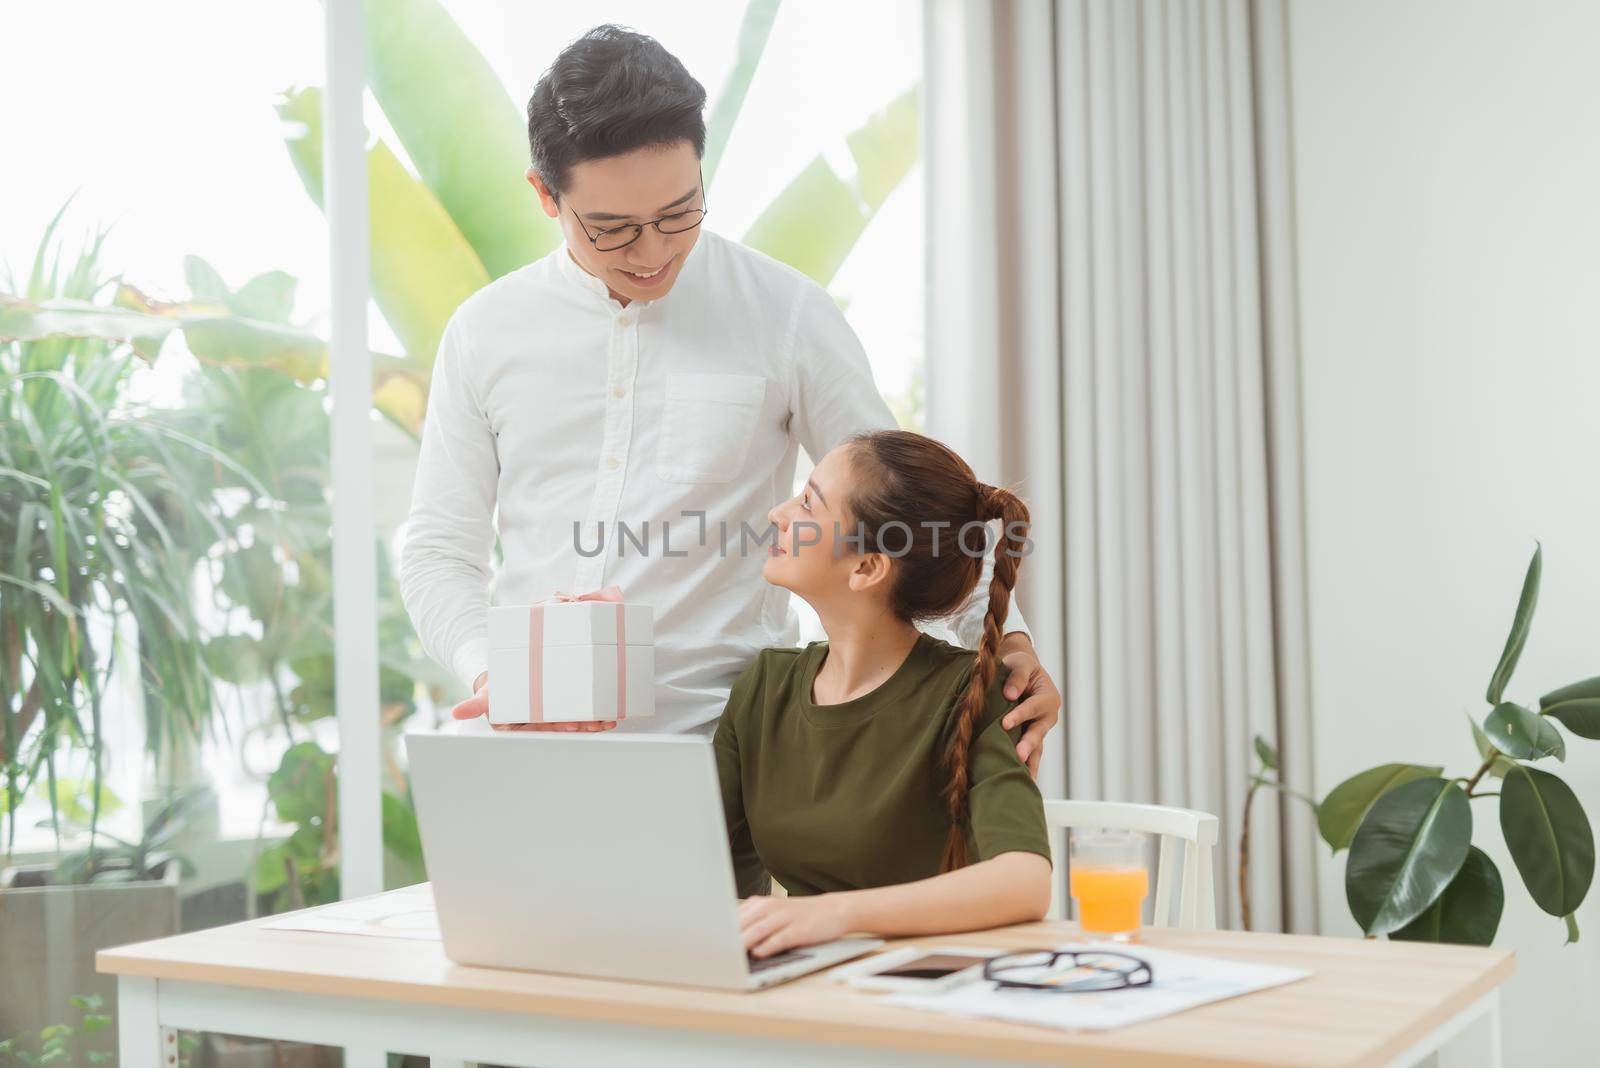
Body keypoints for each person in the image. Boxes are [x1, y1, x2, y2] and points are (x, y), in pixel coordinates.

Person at [399, 25, 1061, 772]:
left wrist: (1007, 639)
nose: (652, 253)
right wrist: (495, 671)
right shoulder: (485, 332)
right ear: (545, 195)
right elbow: (436, 550)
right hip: (523, 760)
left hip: (724, 761)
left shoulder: (785, 315)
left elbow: (905, 513)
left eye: (679, 213)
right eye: (613, 229)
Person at [717, 430, 1052, 957]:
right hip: (792, 994)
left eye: (808, 502)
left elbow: (1025, 882)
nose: (777, 515)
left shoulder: (971, 692)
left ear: (867, 567)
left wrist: (833, 916)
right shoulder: (765, 690)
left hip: (928, 988)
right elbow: (711, 877)